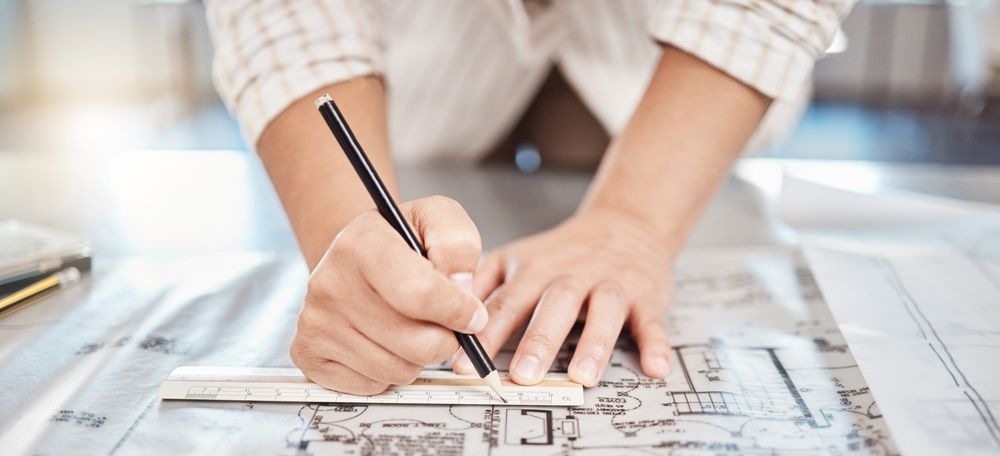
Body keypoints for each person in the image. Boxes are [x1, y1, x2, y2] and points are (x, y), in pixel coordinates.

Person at [206, 0, 851, 394]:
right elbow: (287, 13)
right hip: (417, 91)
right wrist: (355, 249)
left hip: (683, 77)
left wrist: (634, 223)